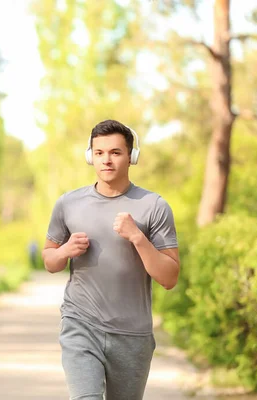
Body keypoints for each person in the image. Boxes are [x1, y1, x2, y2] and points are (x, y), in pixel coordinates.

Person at [42, 119, 180, 400]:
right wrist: (65, 250)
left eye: (115, 153)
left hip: (132, 335)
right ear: (90, 156)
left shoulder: (154, 206)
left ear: (132, 157)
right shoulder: (68, 203)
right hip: (80, 324)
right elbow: (49, 260)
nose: (106, 160)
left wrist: (138, 238)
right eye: (99, 152)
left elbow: (169, 278)